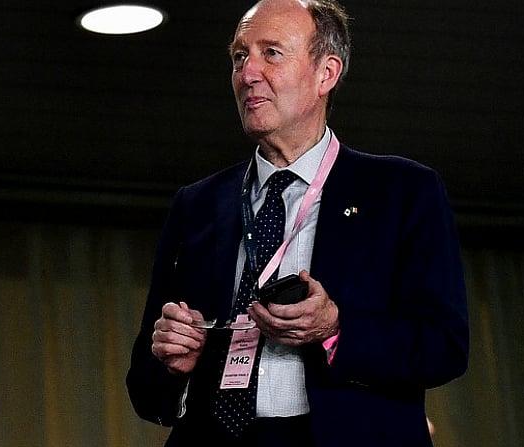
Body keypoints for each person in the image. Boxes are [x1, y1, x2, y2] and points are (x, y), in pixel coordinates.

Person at [126, 1, 469, 446]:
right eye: (239, 56)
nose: (247, 74)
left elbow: (443, 346)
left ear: (326, 73)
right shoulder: (196, 205)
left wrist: (335, 328)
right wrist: (172, 362)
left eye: (271, 53)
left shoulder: (403, 191)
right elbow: (146, 387)